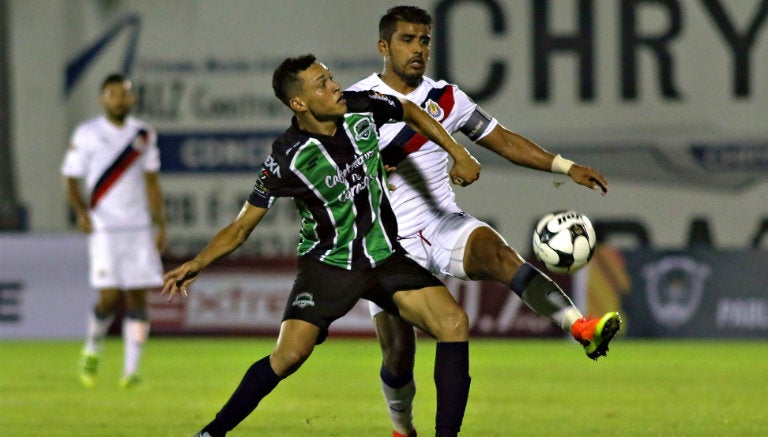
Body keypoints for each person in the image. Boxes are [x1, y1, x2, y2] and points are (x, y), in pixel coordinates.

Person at [162, 54, 482, 437]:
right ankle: (211, 433)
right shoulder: (287, 157)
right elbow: (241, 226)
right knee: (289, 356)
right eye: (321, 84)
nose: (334, 87)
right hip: (329, 266)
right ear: (299, 104)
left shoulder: (361, 106)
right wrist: (198, 262)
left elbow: (410, 110)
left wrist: (457, 152)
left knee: (453, 323)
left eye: (330, 77)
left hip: (384, 257)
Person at [347, 6, 622, 437]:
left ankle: (580, 327)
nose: (418, 49)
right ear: (384, 47)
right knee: (398, 355)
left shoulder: (447, 99)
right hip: (388, 245)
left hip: (442, 224)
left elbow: (504, 139)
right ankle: (403, 428)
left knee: (498, 253)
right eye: (407, 40)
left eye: (424, 40)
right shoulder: (355, 104)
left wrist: (565, 167)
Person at [61, 73, 166, 389]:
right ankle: (92, 346)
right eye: (113, 94)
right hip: (105, 227)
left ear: (132, 99)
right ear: (102, 98)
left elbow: (151, 181)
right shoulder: (88, 133)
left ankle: (131, 369)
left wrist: (160, 222)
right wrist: (81, 211)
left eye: (125, 94)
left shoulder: (144, 134)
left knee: (138, 297)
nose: (119, 99)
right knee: (108, 298)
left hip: (138, 227)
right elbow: (70, 177)